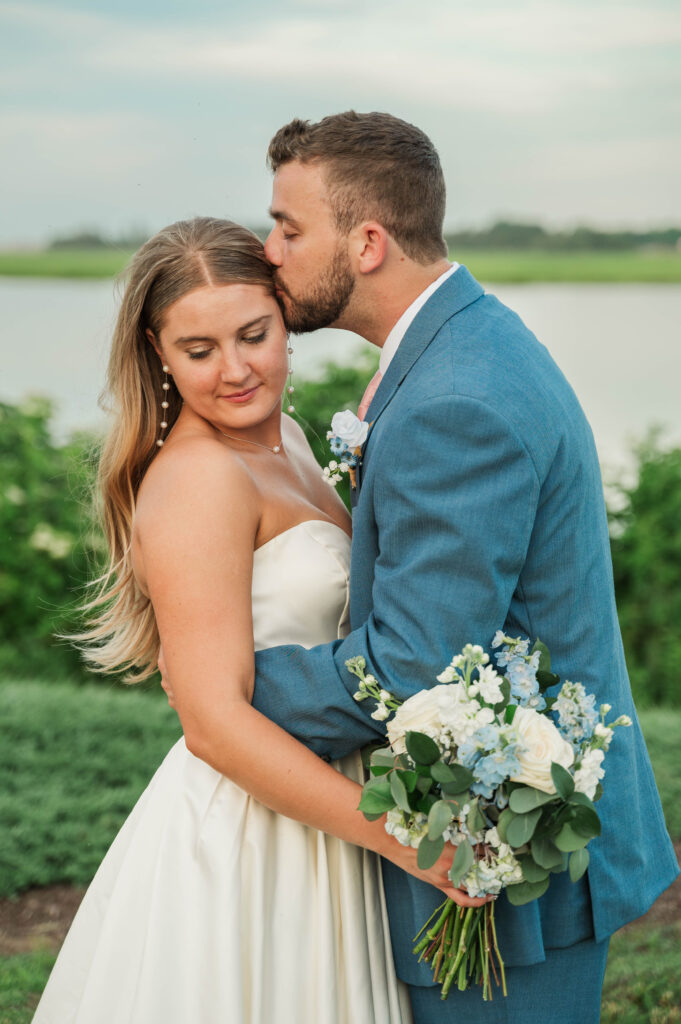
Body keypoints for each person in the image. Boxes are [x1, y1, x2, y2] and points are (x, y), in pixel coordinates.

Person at [159, 113, 677, 1024]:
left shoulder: (452, 399)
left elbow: (413, 661)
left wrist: (223, 695)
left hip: (512, 861)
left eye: (288, 227)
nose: (270, 252)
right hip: (489, 835)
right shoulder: (462, 342)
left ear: (364, 242)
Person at [33, 216, 482, 1023]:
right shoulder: (200, 477)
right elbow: (210, 720)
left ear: (285, 316)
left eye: (254, 335)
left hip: (327, 798)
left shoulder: (292, 438)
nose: (235, 371)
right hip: (249, 833)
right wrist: (401, 838)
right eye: (198, 351)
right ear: (156, 351)